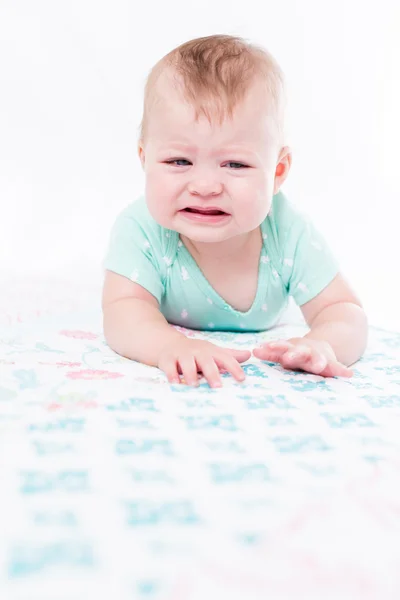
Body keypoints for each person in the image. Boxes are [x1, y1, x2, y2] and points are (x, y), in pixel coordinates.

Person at [102, 34, 368, 388]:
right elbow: (121, 312)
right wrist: (169, 345)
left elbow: (346, 312)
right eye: (179, 160)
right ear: (144, 159)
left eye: (235, 164)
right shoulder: (142, 229)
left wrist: (322, 343)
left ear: (277, 172)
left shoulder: (287, 232)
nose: (206, 186)